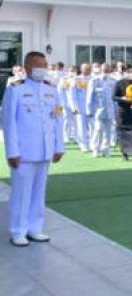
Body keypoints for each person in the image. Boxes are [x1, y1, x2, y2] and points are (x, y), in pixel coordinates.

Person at [2, 51, 64, 246]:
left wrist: (58, 146)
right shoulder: (16, 89)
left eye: (44, 65)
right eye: (38, 65)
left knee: (39, 192)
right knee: (21, 194)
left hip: (45, 150)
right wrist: (12, 152)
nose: (42, 69)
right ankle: (17, 231)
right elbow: (9, 122)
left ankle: (35, 228)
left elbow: (57, 119)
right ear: (27, 67)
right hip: (24, 152)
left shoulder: (51, 89)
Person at [87, 63, 117, 158]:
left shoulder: (113, 81)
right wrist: (89, 110)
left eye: (108, 69)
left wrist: (115, 111)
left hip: (109, 109)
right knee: (98, 130)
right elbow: (89, 96)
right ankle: (95, 149)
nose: (106, 71)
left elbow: (114, 97)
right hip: (98, 110)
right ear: (101, 69)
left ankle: (105, 150)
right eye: (104, 69)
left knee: (108, 131)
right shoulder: (95, 81)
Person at [113, 67, 132, 161]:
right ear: (123, 73)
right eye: (128, 72)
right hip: (123, 110)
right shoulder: (118, 83)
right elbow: (114, 97)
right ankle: (124, 153)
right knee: (123, 132)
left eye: (131, 72)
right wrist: (122, 98)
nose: (130, 74)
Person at [70, 63, 92, 152]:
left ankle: (92, 143)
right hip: (80, 106)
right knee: (81, 126)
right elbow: (72, 95)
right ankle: (83, 144)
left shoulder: (93, 79)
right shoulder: (76, 79)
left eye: (89, 69)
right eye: (85, 69)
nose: (87, 70)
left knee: (92, 126)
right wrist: (74, 107)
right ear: (81, 69)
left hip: (91, 106)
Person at [57, 65, 76, 145]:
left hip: (75, 104)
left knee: (75, 121)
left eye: (74, 71)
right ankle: (65, 136)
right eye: (71, 71)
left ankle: (75, 136)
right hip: (66, 103)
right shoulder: (64, 79)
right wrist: (62, 103)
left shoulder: (78, 79)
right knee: (66, 120)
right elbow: (60, 91)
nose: (72, 72)